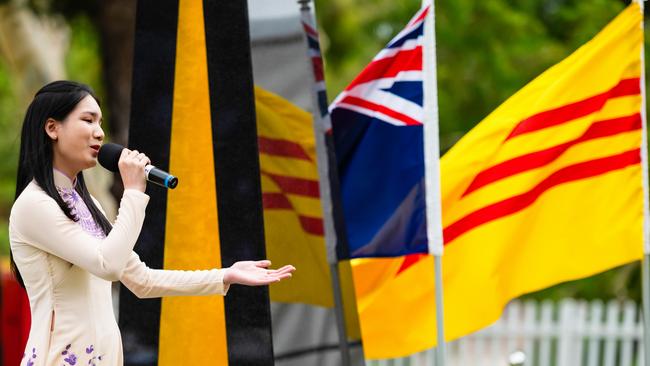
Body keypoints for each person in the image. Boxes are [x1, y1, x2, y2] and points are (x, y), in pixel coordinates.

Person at [9, 80, 295, 366]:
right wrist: (133, 193)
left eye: (100, 122)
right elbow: (107, 265)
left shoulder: (89, 205)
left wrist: (224, 275)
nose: (100, 133)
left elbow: (141, 280)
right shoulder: (34, 205)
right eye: (88, 120)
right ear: (52, 128)